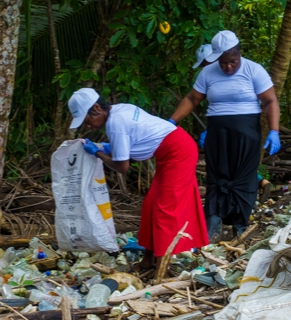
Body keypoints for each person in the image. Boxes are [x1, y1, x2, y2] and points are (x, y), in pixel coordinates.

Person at [68, 87, 207, 269]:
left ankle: (162, 267)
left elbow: (122, 167)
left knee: (165, 208)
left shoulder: (115, 124)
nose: (88, 126)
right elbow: (134, 140)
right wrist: (109, 147)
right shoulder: (119, 109)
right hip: (173, 149)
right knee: (151, 204)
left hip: (178, 151)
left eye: (87, 121)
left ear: (96, 109)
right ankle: (148, 260)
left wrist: (98, 153)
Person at [168, 30, 281, 240]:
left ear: (240, 54)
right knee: (217, 174)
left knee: (244, 177)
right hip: (217, 131)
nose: (228, 67)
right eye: (223, 62)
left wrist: (274, 130)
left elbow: (270, 101)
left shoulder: (253, 70)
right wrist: (172, 121)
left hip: (247, 131)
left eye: (233, 61)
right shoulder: (207, 73)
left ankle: (239, 223)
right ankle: (213, 219)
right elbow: (192, 99)